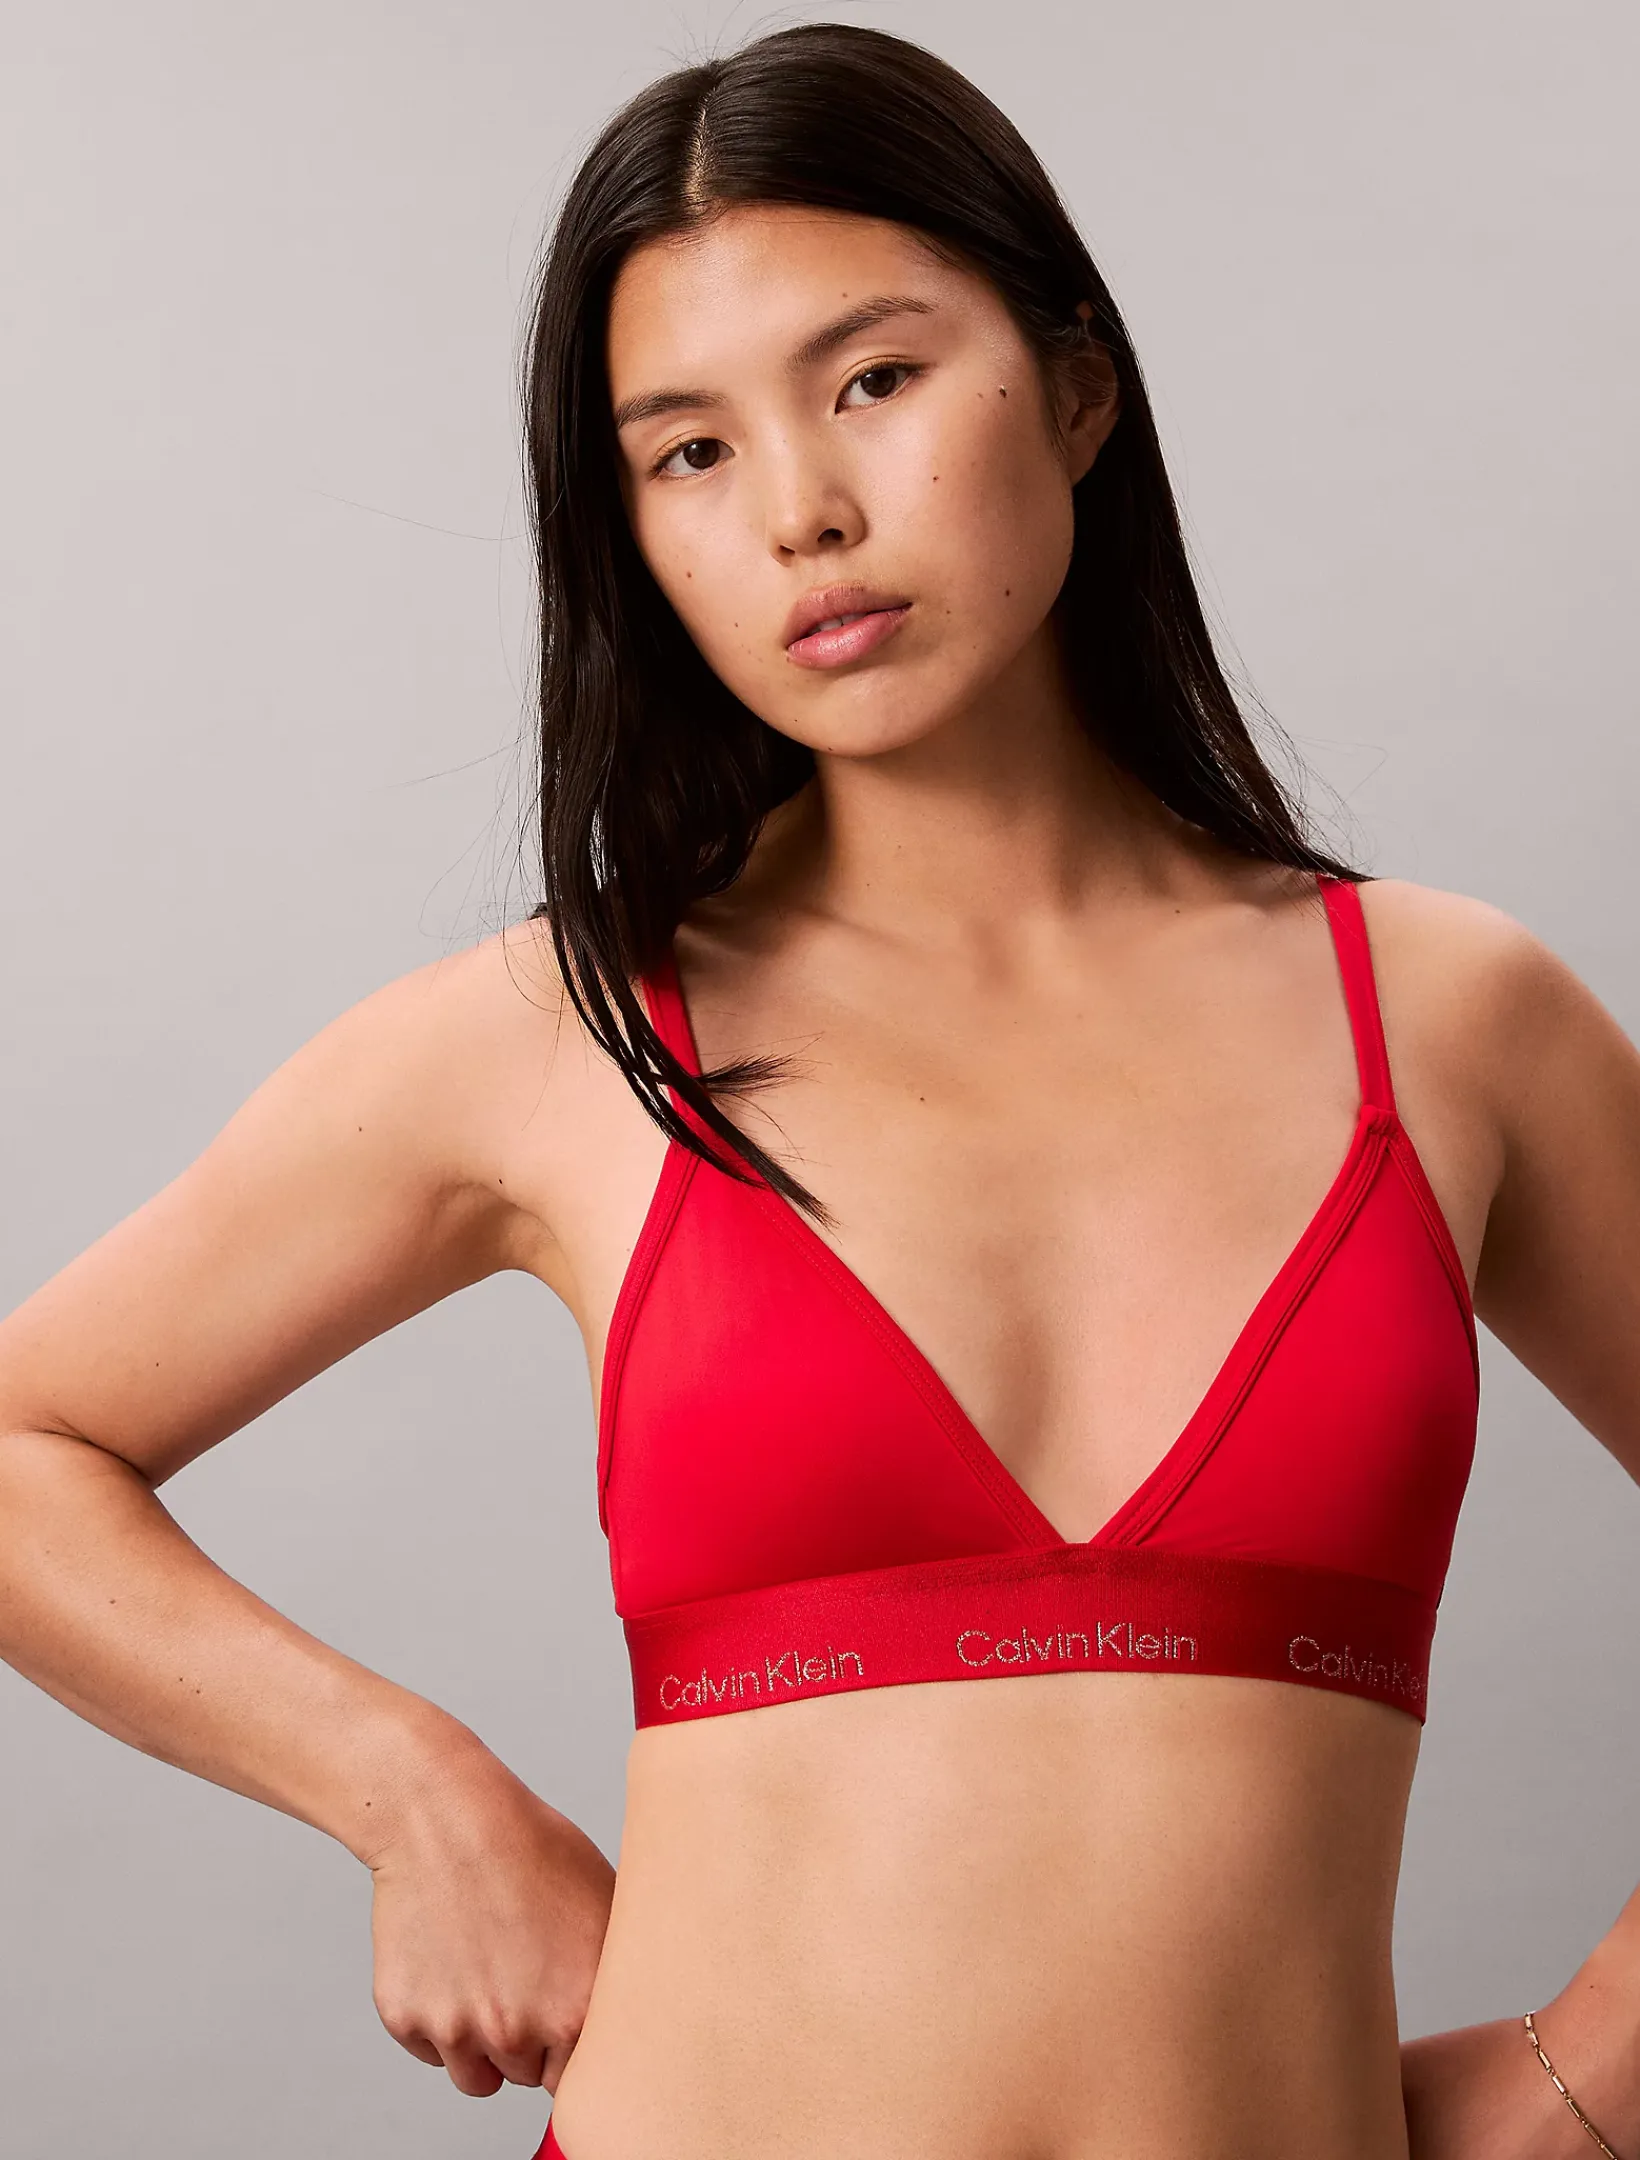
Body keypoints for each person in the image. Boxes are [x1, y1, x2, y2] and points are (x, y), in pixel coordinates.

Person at [2, 21, 1636, 2160]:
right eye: (688, 450)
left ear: (1075, 386)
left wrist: (1589, 2080)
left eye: (871, 380)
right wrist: (410, 1791)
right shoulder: (565, 1034)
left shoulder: (1448, 1023)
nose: (803, 513)